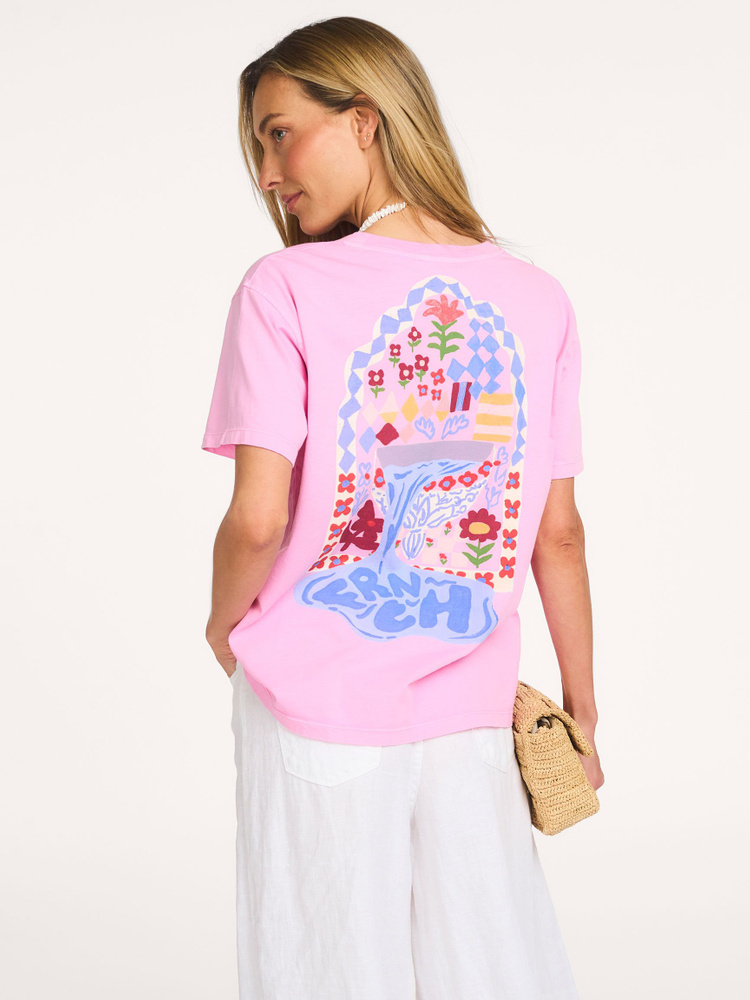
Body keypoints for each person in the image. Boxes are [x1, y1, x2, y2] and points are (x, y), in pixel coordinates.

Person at [202, 15, 604, 1000]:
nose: (268, 173)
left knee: (324, 968)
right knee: (488, 969)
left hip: (314, 701)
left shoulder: (284, 287)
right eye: (258, 146)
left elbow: (259, 519)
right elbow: (556, 533)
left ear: (365, 121)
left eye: (280, 133)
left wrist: (222, 623)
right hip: (473, 712)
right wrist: (583, 707)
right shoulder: (537, 298)